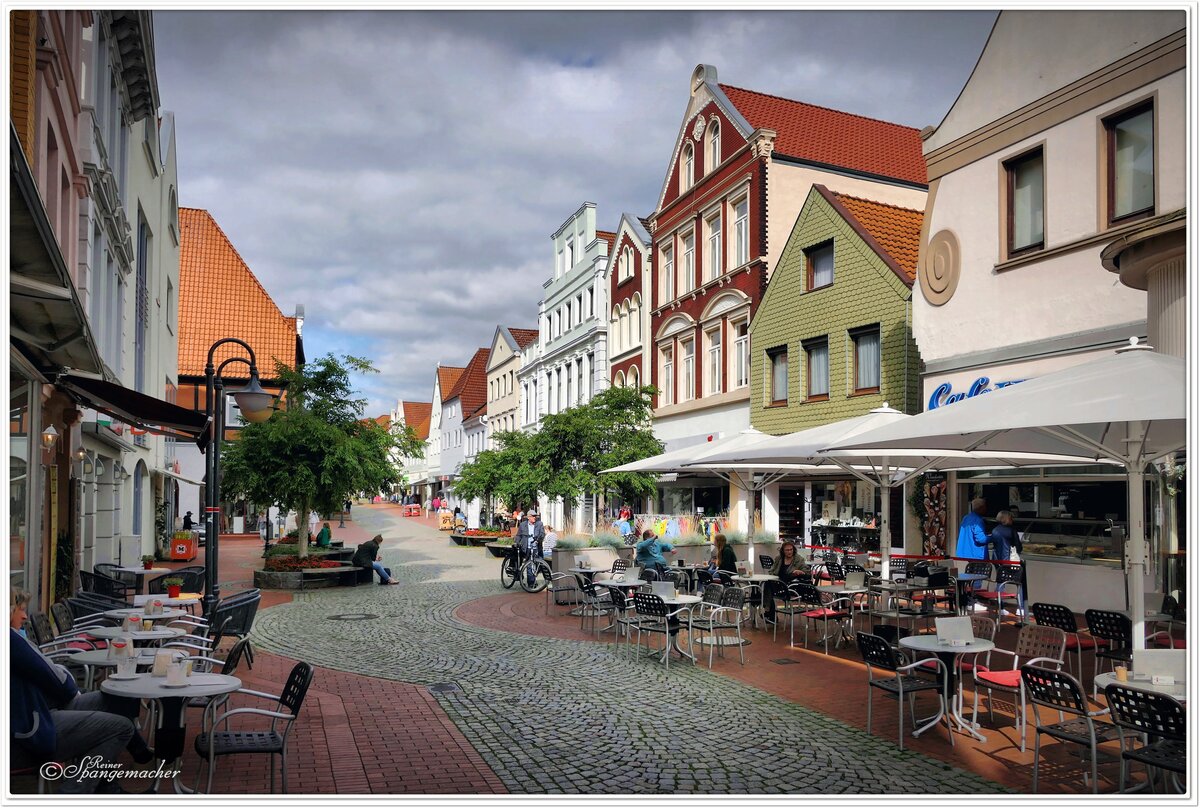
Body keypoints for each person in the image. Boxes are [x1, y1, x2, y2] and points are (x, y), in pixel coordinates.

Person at [10, 588, 153, 793]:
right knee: (120, 727)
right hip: (30, 733)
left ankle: (117, 781)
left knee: (118, 700)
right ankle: (72, 794)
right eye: (19, 609)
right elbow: (58, 680)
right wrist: (67, 683)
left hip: (38, 713)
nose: (24, 616)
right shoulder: (11, 641)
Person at [763, 541, 806, 625]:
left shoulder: (799, 559)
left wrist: (800, 572)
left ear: (794, 550)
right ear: (783, 551)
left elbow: (807, 572)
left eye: (791, 549)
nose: (789, 552)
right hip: (778, 582)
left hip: (790, 585)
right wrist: (773, 576)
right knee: (767, 584)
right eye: (787, 550)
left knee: (768, 587)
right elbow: (771, 570)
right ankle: (769, 612)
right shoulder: (779, 559)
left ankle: (769, 612)